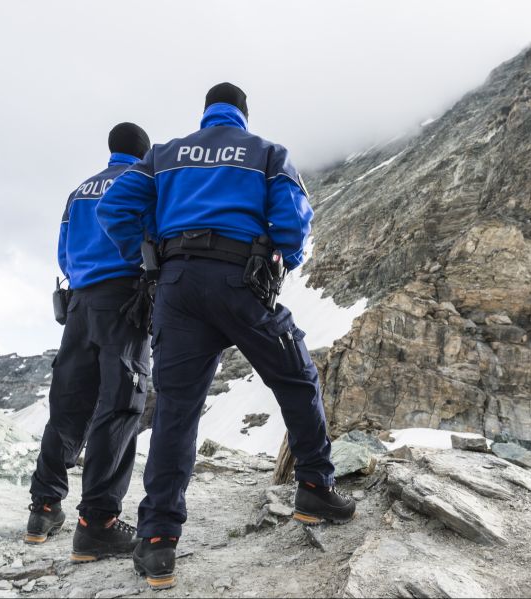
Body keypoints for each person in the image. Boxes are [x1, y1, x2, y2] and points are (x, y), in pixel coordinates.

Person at [97, 83, 355, 590]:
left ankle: (157, 542)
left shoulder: (163, 155)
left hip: (176, 288)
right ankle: (314, 488)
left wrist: (150, 254)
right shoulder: (266, 153)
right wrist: (282, 258)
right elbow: (294, 218)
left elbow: (114, 210)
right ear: (242, 113)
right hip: (241, 279)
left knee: (175, 410)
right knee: (296, 379)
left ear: (206, 113)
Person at [25, 122, 152, 563]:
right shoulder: (143, 181)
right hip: (123, 303)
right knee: (119, 406)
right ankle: (98, 523)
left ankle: (43, 509)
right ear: (143, 152)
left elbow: (63, 251)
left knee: (68, 406)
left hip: (78, 307)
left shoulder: (79, 190)